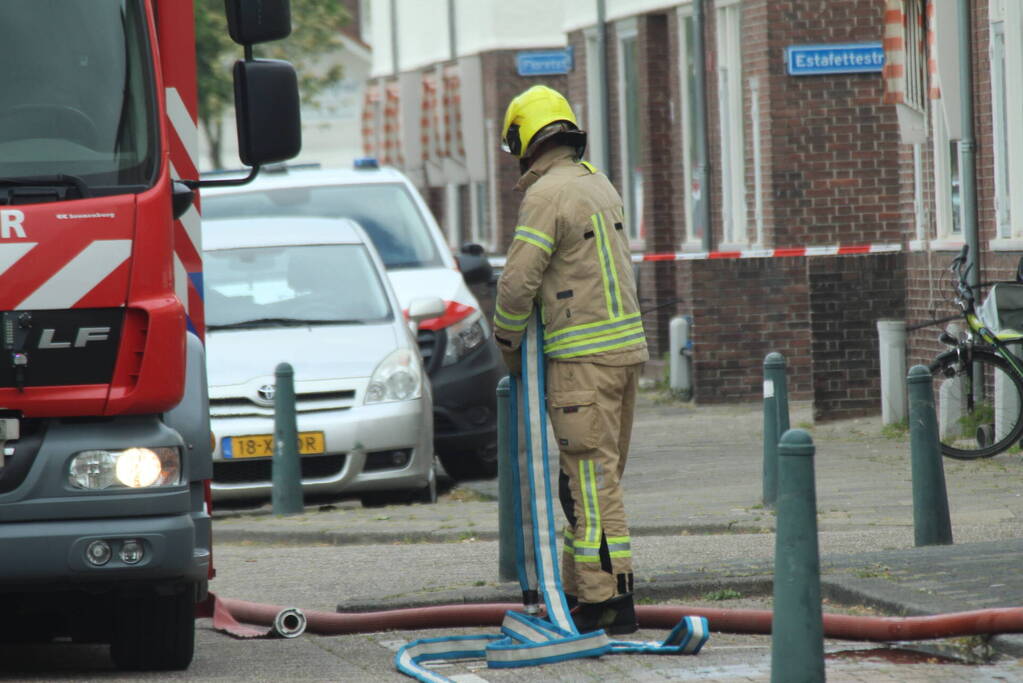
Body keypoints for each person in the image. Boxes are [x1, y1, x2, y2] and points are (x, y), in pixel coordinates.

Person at [493, 84, 648, 635]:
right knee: (591, 481)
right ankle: (585, 591)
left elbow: (516, 288)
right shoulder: (597, 182)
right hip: (624, 355)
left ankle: (610, 601)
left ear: (524, 139)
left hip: (581, 361)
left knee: (586, 481)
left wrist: (508, 347)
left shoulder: (547, 196)